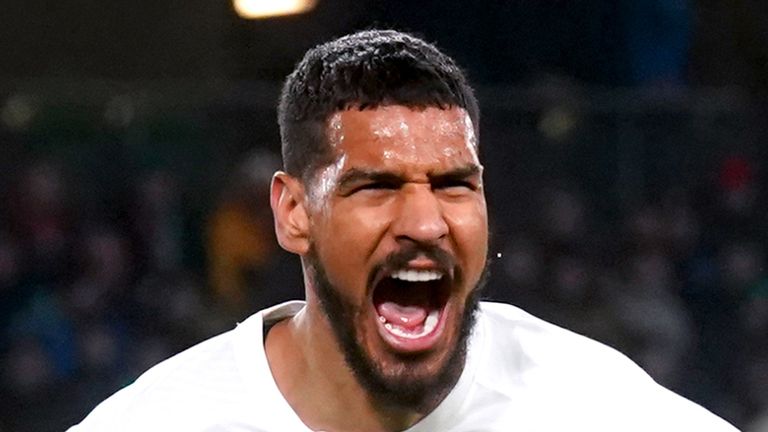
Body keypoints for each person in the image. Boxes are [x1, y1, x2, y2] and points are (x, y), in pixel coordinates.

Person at [68, 29, 739, 432]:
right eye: (377, 186)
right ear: (294, 212)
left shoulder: (588, 404)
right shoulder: (164, 421)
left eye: (454, 185)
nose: (425, 224)